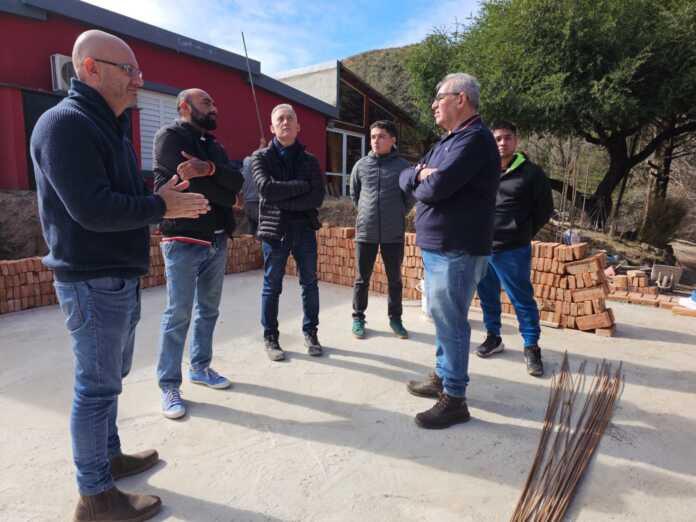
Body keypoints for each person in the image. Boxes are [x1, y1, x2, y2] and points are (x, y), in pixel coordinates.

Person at [31, 30, 209, 522]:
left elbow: (126, 196)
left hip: (115, 276)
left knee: (109, 380)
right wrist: (160, 206)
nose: (138, 80)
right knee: (95, 388)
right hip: (92, 279)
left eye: (137, 71)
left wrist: (165, 191)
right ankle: (95, 497)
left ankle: (107, 458)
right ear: (90, 68)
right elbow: (92, 209)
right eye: (128, 70)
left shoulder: (108, 126)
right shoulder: (65, 124)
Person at [399, 73, 500, 429]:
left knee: (452, 321)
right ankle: (443, 376)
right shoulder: (449, 140)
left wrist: (424, 179)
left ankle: (455, 398)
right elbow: (406, 177)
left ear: (461, 99)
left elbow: (435, 189)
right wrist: (420, 174)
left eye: (439, 97)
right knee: (443, 318)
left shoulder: (474, 140)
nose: (433, 104)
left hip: (457, 247)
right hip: (440, 246)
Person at [153, 88, 244, 419]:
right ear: (184, 106)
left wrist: (207, 169)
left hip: (217, 238)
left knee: (208, 310)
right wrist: (220, 185)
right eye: (207, 102)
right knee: (178, 313)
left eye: (214, 102)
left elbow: (236, 182)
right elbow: (188, 188)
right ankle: (168, 385)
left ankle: (200, 368)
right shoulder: (169, 137)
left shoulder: (214, 146)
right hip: (183, 238)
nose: (214, 107)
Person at [475, 121, 553, 376]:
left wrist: (522, 231)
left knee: (521, 299)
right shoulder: (482, 170)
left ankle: (531, 346)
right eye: (497, 138)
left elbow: (544, 210)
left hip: (513, 249)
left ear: (516, 141)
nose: (502, 143)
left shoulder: (531, 173)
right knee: (487, 296)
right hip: (482, 247)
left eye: (507, 138)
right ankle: (493, 337)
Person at [251, 104, 325, 361]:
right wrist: (302, 187)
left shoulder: (310, 160)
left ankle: (311, 333)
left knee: (310, 283)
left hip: (304, 229)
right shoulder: (260, 158)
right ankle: (270, 337)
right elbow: (266, 189)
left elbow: (317, 197)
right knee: (272, 286)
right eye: (280, 119)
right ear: (272, 127)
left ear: (298, 126)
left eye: (290, 118)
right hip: (275, 231)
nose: (285, 122)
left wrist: (284, 198)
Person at [349, 120, 413, 339]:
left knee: (394, 279)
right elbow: (355, 194)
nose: (376, 141)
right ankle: (358, 317)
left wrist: (397, 213)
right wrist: (365, 213)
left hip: (393, 233)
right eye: (373, 136)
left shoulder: (403, 167)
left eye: (382, 136)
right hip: (366, 232)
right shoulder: (361, 166)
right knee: (361, 279)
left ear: (393, 140)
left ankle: (395, 319)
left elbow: (409, 197)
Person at [240, 137, 267, 235]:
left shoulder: (244, 171)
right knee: (263, 227)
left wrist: (262, 145)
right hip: (257, 203)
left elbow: (255, 156)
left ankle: (251, 244)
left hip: (247, 204)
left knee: (251, 230)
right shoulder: (259, 171)